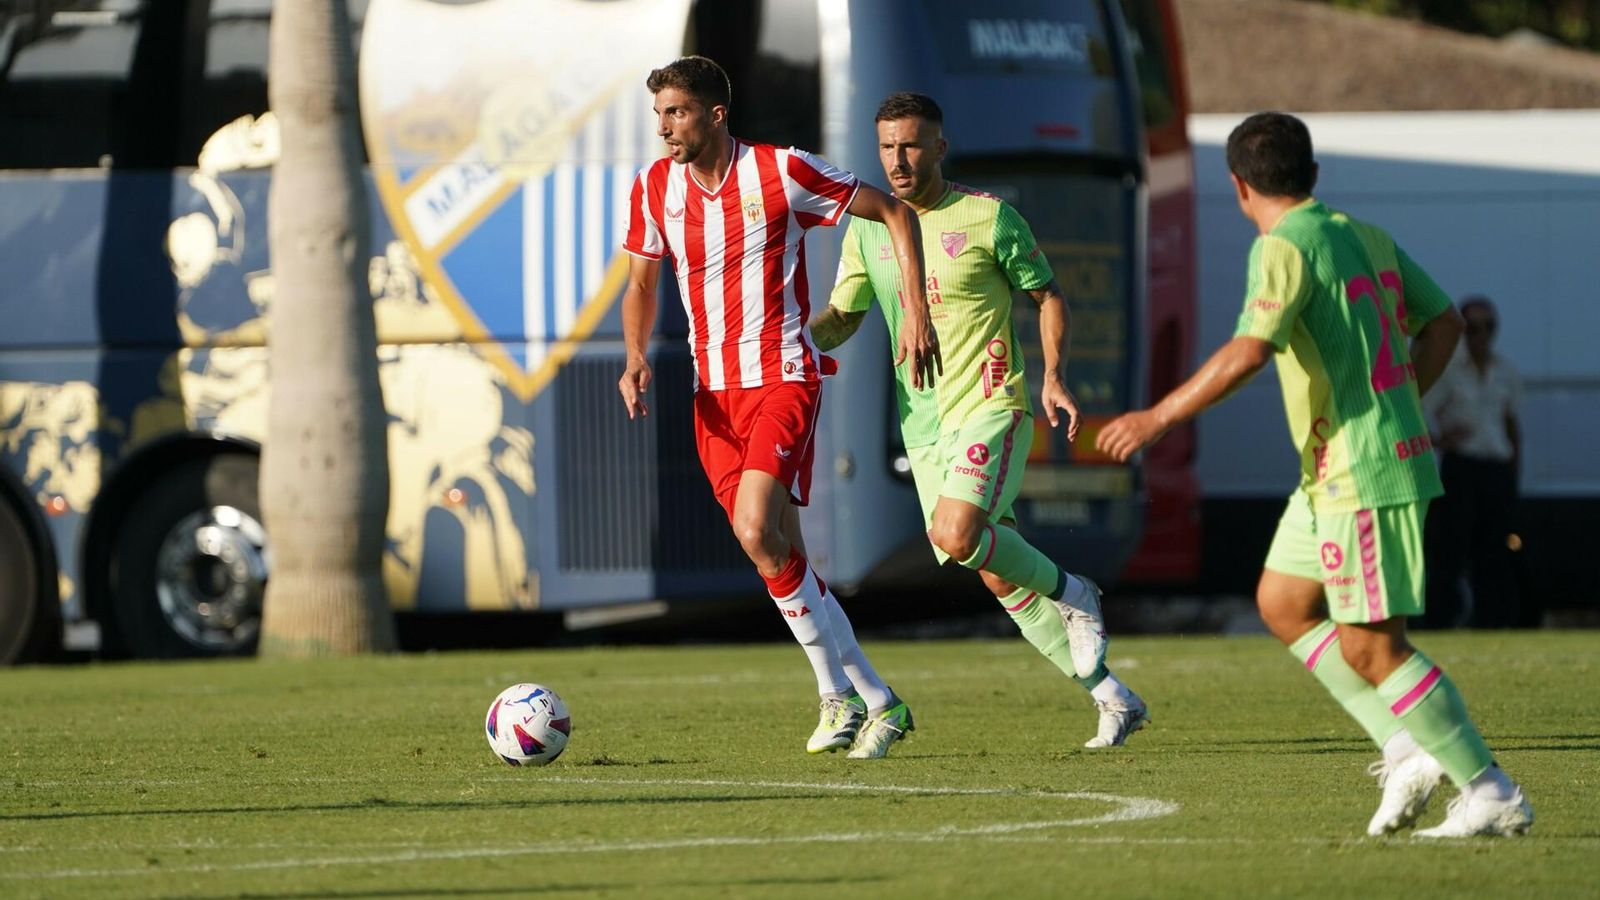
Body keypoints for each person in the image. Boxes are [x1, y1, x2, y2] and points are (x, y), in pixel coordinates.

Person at [1096, 112, 1532, 837]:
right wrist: (1395, 399)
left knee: (1372, 645)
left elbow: (1249, 349)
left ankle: (1488, 786)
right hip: (1334, 466)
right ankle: (1403, 746)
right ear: (1314, 176)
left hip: (1359, 469)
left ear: (1238, 185)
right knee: (1284, 603)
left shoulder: (1282, 245)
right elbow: (1446, 324)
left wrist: (1156, 419)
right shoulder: (1363, 235)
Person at [618, 57, 939, 759]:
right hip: (714, 397)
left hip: (783, 378)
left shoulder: (782, 171)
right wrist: (636, 356)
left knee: (757, 529)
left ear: (715, 114)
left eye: (676, 113)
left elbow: (890, 213)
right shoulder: (654, 188)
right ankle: (880, 700)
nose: (665, 128)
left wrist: (913, 312)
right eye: (659, 115)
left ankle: (835, 696)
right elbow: (641, 282)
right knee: (777, 552)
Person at [811, 92, 1148, 749]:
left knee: (959, 534)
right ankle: (1113, 697)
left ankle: (1077, 591)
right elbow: (843, 317)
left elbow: (1047, 296)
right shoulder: (868, 228)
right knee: (997, 571)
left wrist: (1052, 375)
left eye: (911, 145)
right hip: (927, 425)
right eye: (886, 148)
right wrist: (797, 334)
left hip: (993, 408)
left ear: (939, 147)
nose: (898, 161)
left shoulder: (990, 218)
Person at [1422, 296, 1524, 629]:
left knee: (1495, 550)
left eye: (1488, 327)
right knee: (1449, 548)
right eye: (1474, 327)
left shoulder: (1505, 371)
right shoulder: (1449, 371)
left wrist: (1513, 475)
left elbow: (1512, 424)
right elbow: (1418, 412)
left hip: (1495, 469)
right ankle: (1441, 619)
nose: (1481, 335)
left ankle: (1493, 621)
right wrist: (1440, 441)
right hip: (1461, 468)